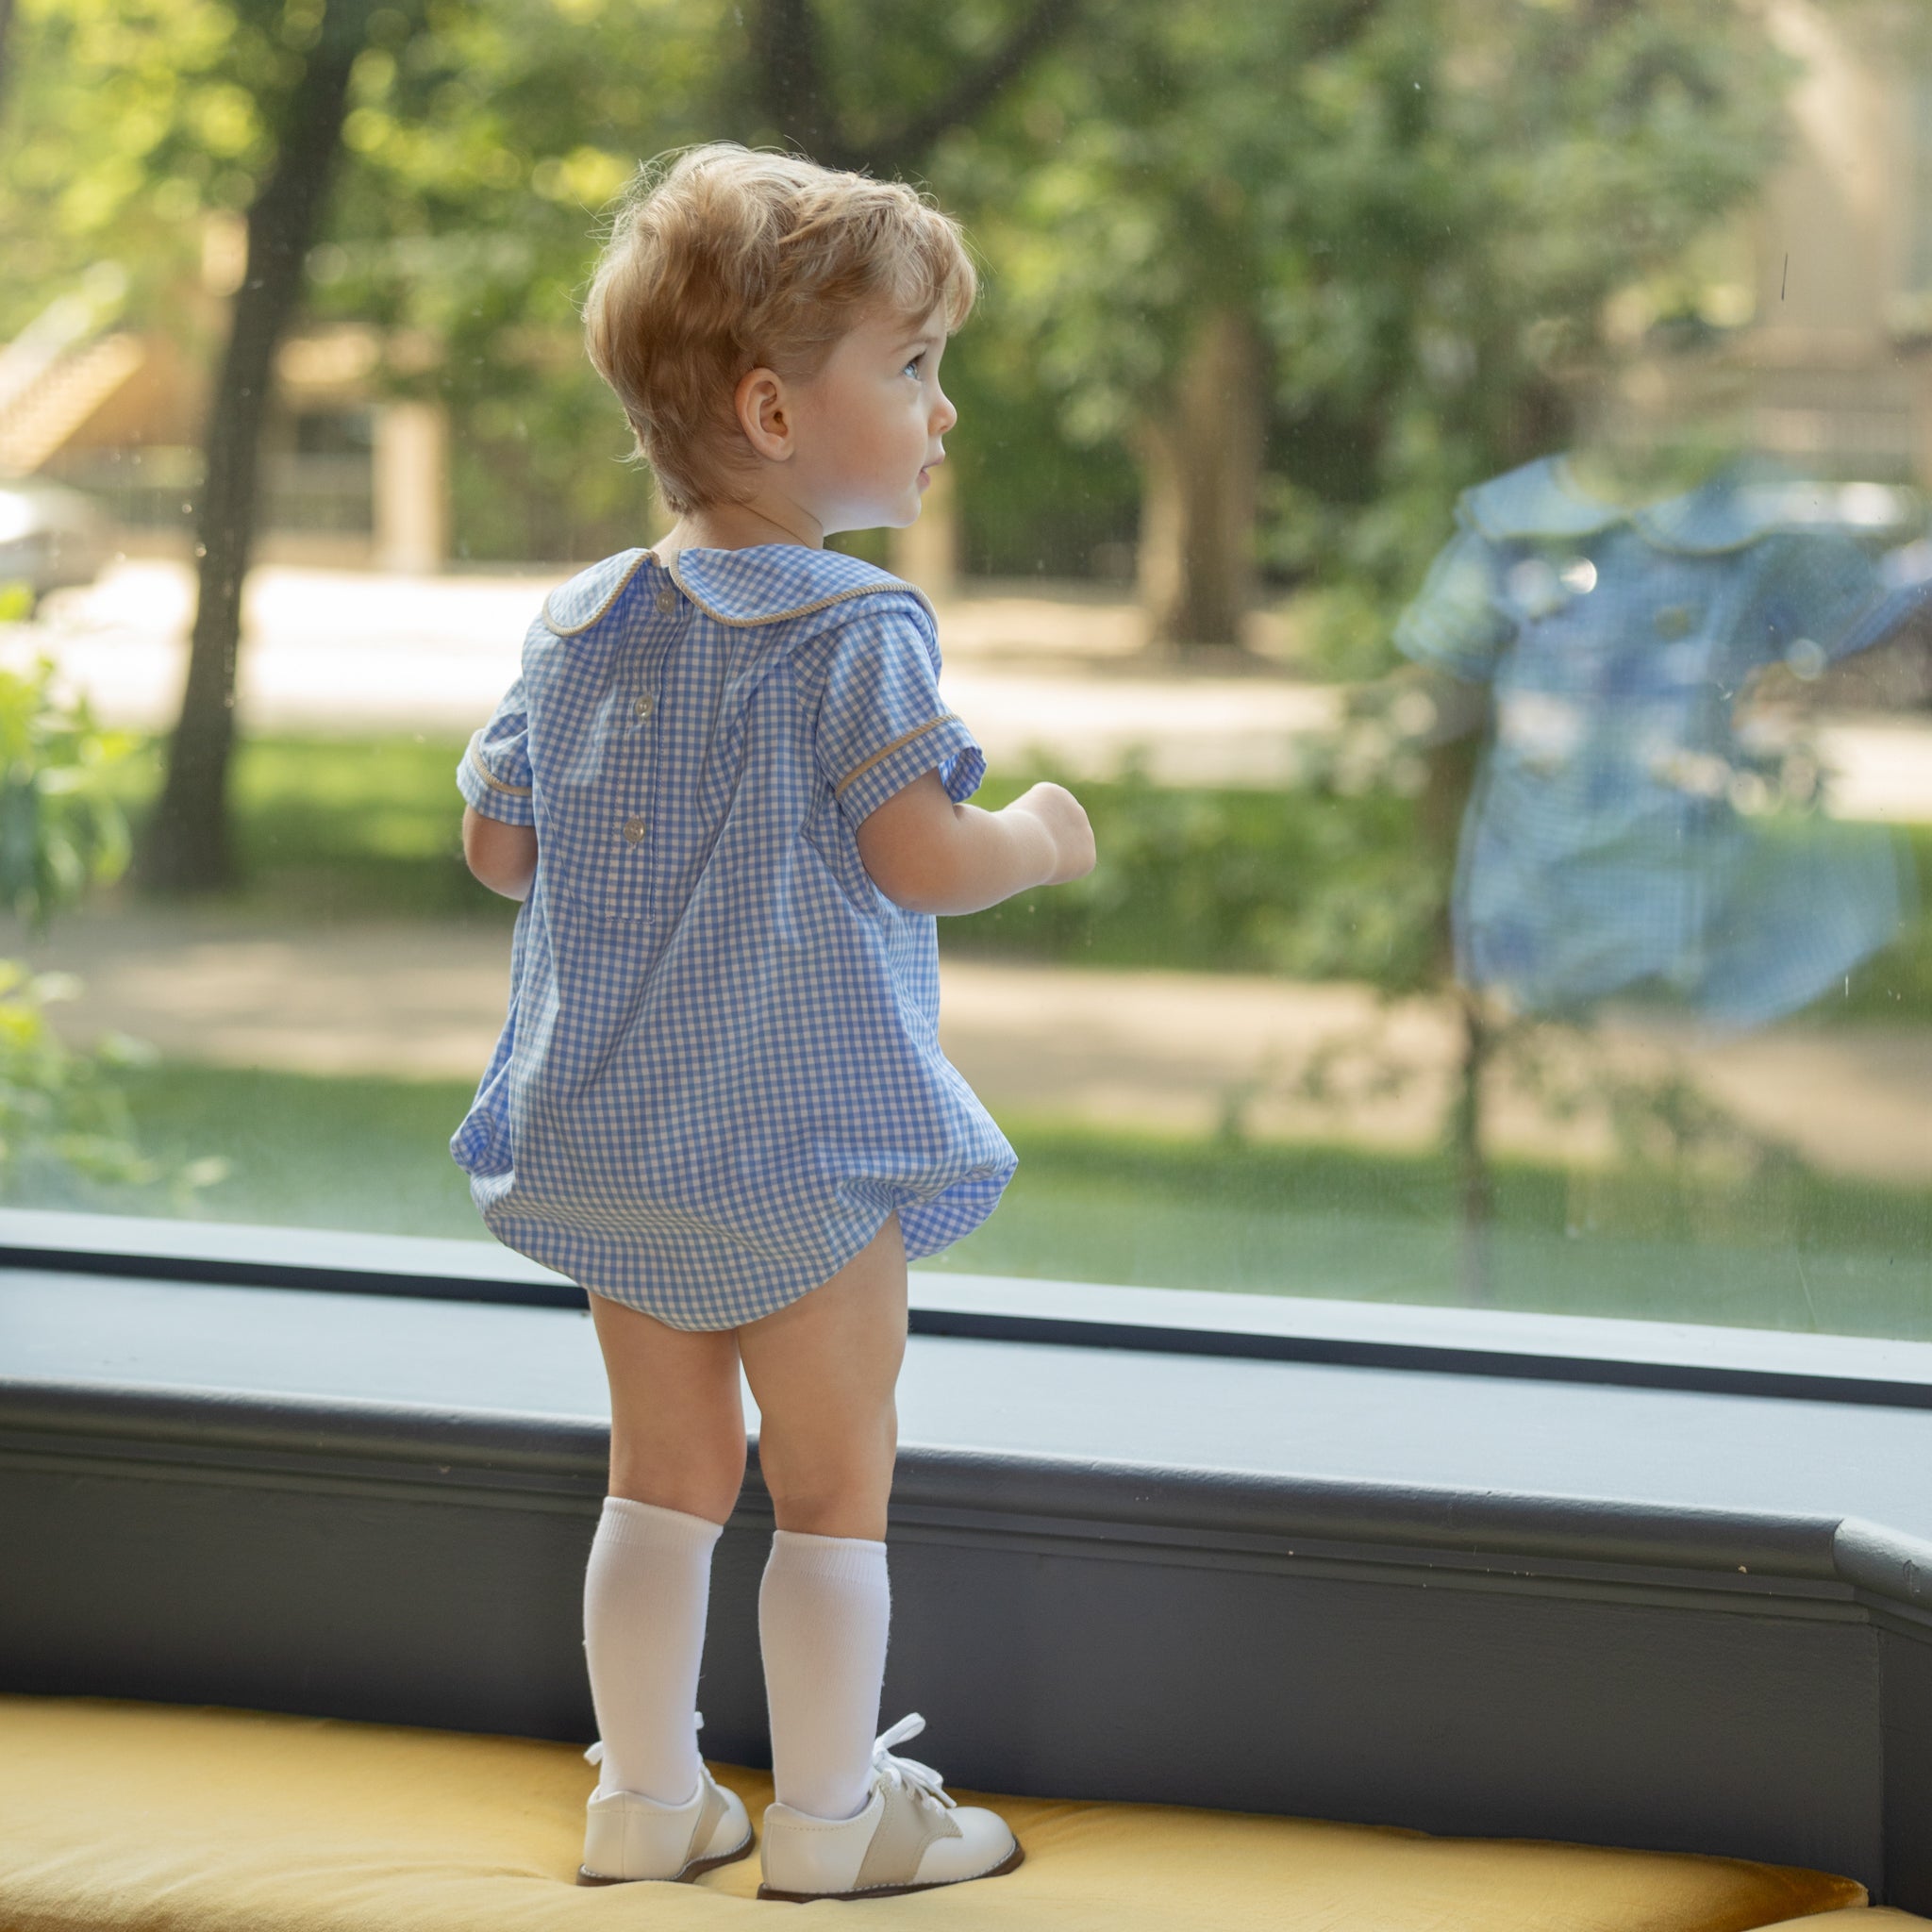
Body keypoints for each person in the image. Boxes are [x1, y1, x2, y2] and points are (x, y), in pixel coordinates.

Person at [452, 143, 1095, 1902]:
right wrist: (1033, 837)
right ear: (770, 406)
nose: (941, 409)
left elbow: (500, 849)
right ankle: (831, 1818)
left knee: (657, 1482)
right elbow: (920, 855)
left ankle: (647, 1798)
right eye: (911, 368)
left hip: (617, 1142)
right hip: (803, 1144)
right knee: (833, 1484)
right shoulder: (858, 628)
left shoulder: (576, 621)